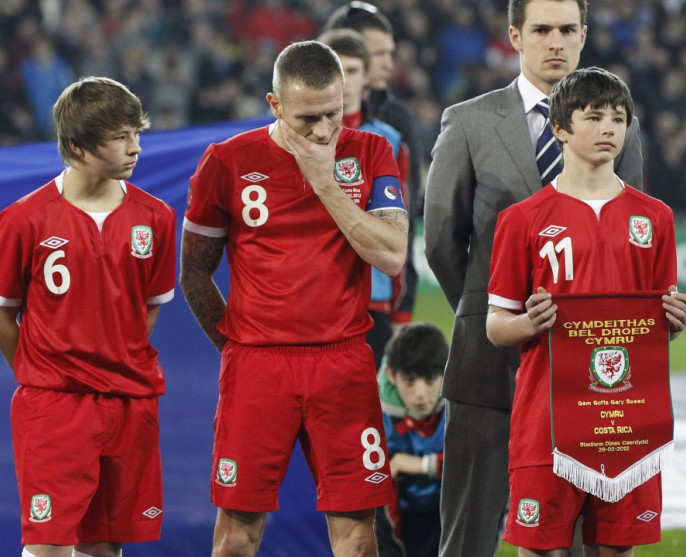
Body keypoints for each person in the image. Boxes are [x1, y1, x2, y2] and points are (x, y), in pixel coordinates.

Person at [423, 1, 644, 556]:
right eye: (542, 30)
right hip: (487, 365)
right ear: (516, 36)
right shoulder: (469, 121)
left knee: (568, 538)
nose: (556, 42)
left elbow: (628, 232)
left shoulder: (622, 128)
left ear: (584, 36)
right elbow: (442, 244)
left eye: (568, 30)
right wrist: (489, 314)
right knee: (468, 534)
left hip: (585, 367)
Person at [179, 40, 408, 557]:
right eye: (308, 119)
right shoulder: (228, 161)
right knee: (237, 535)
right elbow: (194, 271)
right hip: (258, 365)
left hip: (342, 362)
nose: (324, 130)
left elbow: (392, 256)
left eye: (333, 112)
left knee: (358, 535)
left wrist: (325, 182)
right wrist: (237, 345)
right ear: (275, 104)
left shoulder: (371, 152)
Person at [485, 66, 686, 556]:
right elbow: (497, 326)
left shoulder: (655, 217)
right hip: (547, 419)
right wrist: (527, 323)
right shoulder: (522, 220)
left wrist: (673, 324)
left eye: (618, 119)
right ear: (560, 128)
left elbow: (651, 330)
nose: (609, 129)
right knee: (542, 550)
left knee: (617, 550)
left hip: (627, 418)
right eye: (595, 117)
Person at [0, 76, 176, 557]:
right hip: (55, 407)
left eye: (137, 133)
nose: (135, 148)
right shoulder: (22, 219)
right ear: (77, 145)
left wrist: (112, 358)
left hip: (130, 403)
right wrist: (44, 376)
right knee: (48, 546)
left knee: (105, 545)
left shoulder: (156, 218)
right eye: (120, 137)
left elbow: (147, 308)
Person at [324, 1, 420, 352]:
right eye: (338, 70)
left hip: (373, 296)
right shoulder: (291, 138)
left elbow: (401, 229)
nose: (345, 82)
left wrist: (401, 309)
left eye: (353, 70)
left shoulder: (389, 139)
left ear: (365, 79)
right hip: (311, 295)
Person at [375, 322, 448, 557]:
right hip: (399, 516)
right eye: (409, 380)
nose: (420, 393)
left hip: (448, 513)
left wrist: (420, 465)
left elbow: (478, 467)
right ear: (391, 375)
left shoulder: (463, 407)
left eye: (429, 380)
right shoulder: (374, 412)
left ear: (445, 373)